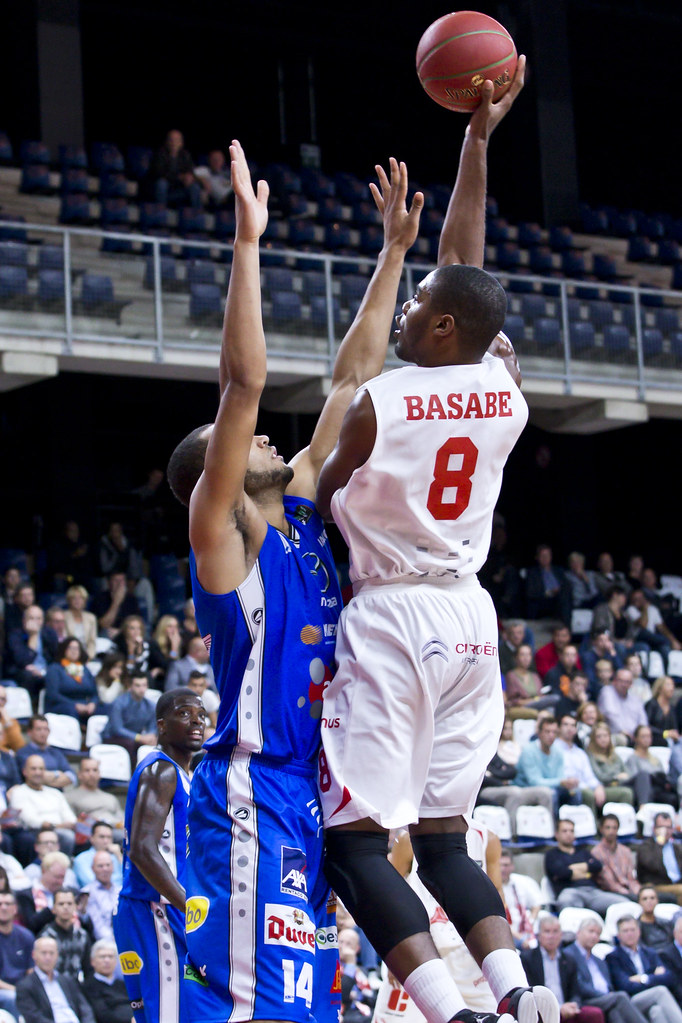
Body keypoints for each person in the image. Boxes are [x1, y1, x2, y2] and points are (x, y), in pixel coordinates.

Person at [165, 135, 429, 1023]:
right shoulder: (223, 537)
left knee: (307, 1003)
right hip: (252, 788)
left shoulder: (307, 513)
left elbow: (355, 377)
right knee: (262, 1005)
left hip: (313, 794)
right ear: (219, 471)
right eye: (243, 443)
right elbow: (243, 385)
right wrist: (248, 243)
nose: (267, 438)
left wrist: (392, 255)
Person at [316, 69, 560, 1023]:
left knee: (356, 844)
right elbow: (467, 264)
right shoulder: (506, 390)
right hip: (470, 616)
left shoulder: (380, 401)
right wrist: (476, 143)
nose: (408, 310)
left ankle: (449, 1014)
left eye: (418, 303)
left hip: (394, 614)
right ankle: (519, 992)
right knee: (447, 837)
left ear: (444, 324)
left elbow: (321, 493)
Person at [112, 687, 206, 1023]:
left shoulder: (184, 774)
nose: (196, 721)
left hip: (164, 906)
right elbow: (141, 849)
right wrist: (189, 905)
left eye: (201, 715)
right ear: (162, 725)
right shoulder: (161, 771)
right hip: (154, 906)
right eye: (184, 713)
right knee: (168, 1014)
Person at [372, 822, 500, 1023]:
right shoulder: (406, 839)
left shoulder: (486, 839)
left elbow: (498, 901)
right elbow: (387, 898)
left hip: (469, 955)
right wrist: (390, 956)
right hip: (417, 950)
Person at [520, 915, 604, 1023]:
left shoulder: (568, 959)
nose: (551, 936)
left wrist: (573, 1004)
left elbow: (575, 992)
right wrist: (558, 1007)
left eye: (555, 932)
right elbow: (529, 991)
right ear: (539, 936)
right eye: (547, 931)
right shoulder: (528, 958)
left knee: (595, 1014)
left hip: (567, 1009)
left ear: (561, 935)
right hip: (541, 1009)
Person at [564, 919, 648, 1023]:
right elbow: (579, 985)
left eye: (598, 933)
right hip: (586, 999)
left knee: (614, 1011)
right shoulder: (568, 955)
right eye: (591, 931)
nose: (594, 936)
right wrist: (605, 995)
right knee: (620, 997)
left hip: (606, 999)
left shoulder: (599, 961)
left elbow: (609, 985)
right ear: (578, 933)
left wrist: (609, 996)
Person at [605, 915, 682, 1023]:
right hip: (630, 1001)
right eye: (625, 931)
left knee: (656, 1011)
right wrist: (654, 977)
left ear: (639, 932)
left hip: (651, 999)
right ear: (618, 935)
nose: (630, 934)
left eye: (632, 930)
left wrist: (643, 978)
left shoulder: (649, 953)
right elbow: (625, 985)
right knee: (660, 991)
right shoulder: (613, 958)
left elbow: (668, 978)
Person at [545, 818, 631, 915]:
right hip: (569, 892)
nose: (569, 834)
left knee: (624, 904)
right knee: (566, 902)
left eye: (571, 831)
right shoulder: (552, 855)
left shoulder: (583, 852)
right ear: (557, 834)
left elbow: (597, 866)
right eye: (565, 831)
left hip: (593, 892)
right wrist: (586, 872)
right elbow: (561, 873)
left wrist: (572, 869)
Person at [7, 757, 76, 863]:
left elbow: (70, 817)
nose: (38, 772)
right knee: (67, 836)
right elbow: (30, 820)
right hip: (34, 831)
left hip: (59, 828)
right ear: (24, 771)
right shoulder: (19, 792)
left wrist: (70, 824)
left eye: (41, 769)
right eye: (33, 769)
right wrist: (56, 826)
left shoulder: (55, 793)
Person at [15, 934, 96, 1023]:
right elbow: (33, 1017)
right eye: (44, 953)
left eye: (51, 953)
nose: (48, 957)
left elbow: (84, 1008)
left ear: (57, 955)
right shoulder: (25, 986)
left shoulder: (67, 980)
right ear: (34, 955)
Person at [515, 716, 579, 814]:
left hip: (550, 788)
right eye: (547, 732)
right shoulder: (528, 751)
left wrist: (568, 783)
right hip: (525, 789)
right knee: (551, 794)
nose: (551, 735)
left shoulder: (558, 752)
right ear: (539, 733)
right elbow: (535, 782)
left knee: (575, 793)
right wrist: (560, 782)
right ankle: (553, 823)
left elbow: (560, 777)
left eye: (554, 732)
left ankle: (569, 823)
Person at [100, 671, 158, 769]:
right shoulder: (119, 703)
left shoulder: (151, 706)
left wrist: (151, 737)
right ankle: (132, 774)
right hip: (112, 737)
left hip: (135, 738)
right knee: (131, 744)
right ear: (130, 686)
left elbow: (152, 727)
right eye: (137, 685)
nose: (142, 689)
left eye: (144, 685)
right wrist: (140, 738)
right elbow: (117, 729)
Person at [586, 721, 648, 807]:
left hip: (621, 783)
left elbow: (627, 772)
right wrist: (616, 777)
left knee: (642, 776)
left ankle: (643, 808)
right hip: (606, 787)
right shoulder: (591, 755)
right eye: (599, 736)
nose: (603, 739)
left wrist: (623, 777)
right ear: (593, 739)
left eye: (605, 736)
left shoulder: (614, 754)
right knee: (626, 792)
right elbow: (600, 776)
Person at [554, 714, 606, 816]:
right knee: (587, 794)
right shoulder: (553, 749)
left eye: (573, 725)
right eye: (566, 725)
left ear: (576, 729)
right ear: (559, 728)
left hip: (583, 786)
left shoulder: (580, 753)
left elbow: (589, 776)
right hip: (564, 787)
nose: (569, 728)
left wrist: (598, 786)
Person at [37, 887, 92, 981]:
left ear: (75, 907)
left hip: (76, 986)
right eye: (61, 904)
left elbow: (88, 969)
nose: (65, 907)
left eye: (69, 903)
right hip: (52, 985)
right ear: (53, 909)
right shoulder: (45, 937)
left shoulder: (82, 936)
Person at [43, 637, 97, 724]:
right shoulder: (55, 668)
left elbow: (94, 693)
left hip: (85, 705)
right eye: (70, 648)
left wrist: (92, 703)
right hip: (62, 705)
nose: (74, 651)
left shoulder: (85, 669)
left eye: (77, 648)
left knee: (104, 709)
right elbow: (53, 694)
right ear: (64, 649)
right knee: (71, 710)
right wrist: (74, 705)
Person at [16, 716, 77, 790]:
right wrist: (57, 774)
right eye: (38, 729)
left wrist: (46, 777)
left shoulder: (56, 753)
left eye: (46, 729)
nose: (43, 733)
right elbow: (33, 777)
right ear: (29, 732)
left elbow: (71, 777)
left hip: (56, 794)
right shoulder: (23, 753)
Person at [0, 890, 34, 1022]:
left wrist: (26, 990)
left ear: (15, 909)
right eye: (0, 904)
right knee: (12, 997)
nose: (3, 907)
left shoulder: (26, 936)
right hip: (4, 991)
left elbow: (31, 971)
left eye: (8, 904)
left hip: (22, 988)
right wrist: (16, 990)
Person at [65, 759, 124, 833]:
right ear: (79, 774)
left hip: (116, 829)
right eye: (87, 770)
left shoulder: (111, 797)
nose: (91, 774)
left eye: (95, 770)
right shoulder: (70, 797)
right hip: (91, 832)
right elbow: (71, 822)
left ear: (99, 774)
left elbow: (122, 819)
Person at [624, 725, 676, 808]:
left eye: (648, 736)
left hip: (659, 790)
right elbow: (634, 778)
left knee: (671, 796)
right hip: (642, 792)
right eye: (643, 736)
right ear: (636, 738)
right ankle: (643, 808)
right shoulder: (632, 759)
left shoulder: (656, 759)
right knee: (643, 775)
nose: (646, 739)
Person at [590, 813, 640, 900]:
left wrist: (639, 892)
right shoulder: (596, 852)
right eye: (608, 827)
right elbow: (608, 882)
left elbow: (631, 878)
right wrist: (630, 895)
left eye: (614, 828)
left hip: (628, 891)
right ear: (601, 829)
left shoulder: (626, 851)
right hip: (608, 894)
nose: (611, 831)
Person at [636, 811, 682, 904]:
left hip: (677, 884)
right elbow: (653, 866)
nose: (665, 831)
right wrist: (660, 842)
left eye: (668, 827)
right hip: (656, 886)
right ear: (654, 828)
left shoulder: (676, 847)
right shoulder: (646, 846)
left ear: (672, 829)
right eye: (661, 827)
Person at [82, 939, 132, 1023]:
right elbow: (103, 1015)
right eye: (102, 957)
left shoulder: (124, 984)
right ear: (92, 961)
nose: (107, 960)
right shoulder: (88, 986)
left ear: (116, 961)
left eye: (110, 956)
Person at [499, 851, 541, 951]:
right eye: (499, 865)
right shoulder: (492, 886)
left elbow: (536, 904)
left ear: (512, 866)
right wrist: (521, 938)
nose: (502, 869)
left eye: (506, 865)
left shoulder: (522, 881)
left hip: (525, 929)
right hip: (506, 932)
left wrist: (530, 922)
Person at [150, 128, 201, 208]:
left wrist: (189, 177)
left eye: (177, 140)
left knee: (195, 187)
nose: (173, 143)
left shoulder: (185, 155)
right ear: (166, 142)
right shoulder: (160, 154)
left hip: (179, 188)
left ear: (181, 143)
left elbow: (191, 171)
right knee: (161, 183)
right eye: (171, 140)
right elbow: (159, 172)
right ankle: (161, 211)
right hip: (165, 188)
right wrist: (179, 177)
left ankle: (195, 212)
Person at [597, 670, 648, 747]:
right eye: (621, 681)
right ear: (614, 681)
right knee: (622, 739)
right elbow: (610, 714)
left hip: (634, 737)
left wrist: (641, 733)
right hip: (614, 734)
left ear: (631, 684)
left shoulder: (635, 699)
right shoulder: (607, 692)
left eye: (627, 682)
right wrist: (623, 731)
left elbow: (643, 719)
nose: (624, 684)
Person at [524, 544, 572, 624]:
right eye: (543, 556)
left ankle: (566, 628)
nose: (545, 558)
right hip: (543, 600)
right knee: (563, 600)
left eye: (547, 555)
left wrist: (558, 591)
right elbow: (530, 593)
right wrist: (550, 592)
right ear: (537, 557)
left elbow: (566, 586)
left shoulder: (558, 570)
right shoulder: (532, 572)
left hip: (559, 598)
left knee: (565, 597)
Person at [80, 850, 120, 941]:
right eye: (100, 866)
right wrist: (112, 942)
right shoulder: (87, 893)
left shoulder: (120, 891)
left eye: (108, 865)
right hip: (102, 942)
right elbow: (97, 926)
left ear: (113, 867)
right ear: (93, 868)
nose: (105, 869)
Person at [72, 821, 122, 887]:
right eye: (102, 837)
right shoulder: (81, 859)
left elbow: (128, 879)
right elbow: (90, 882)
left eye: (109, 837)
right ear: (92, 838)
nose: (106, 841)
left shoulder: (116, 857)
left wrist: (119, 855)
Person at [636, 886, 676, 953]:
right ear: (639, 902)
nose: (649, 901)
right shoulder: (636, 926)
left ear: (657, 900)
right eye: (645, 899)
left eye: (652, 898)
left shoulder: (666, 923)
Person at [63, 586, 98, 661]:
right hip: (69, 656)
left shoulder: (91, 618)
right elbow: (64, 639)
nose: (77, 601)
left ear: (85, 601)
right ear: (69, 600)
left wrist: (89, 657)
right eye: (74, 598)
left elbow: (92, 642)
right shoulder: (63, 616)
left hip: (86, 657)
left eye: (81, 598)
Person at [645, 676, 680, 746]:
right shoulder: (651, 704)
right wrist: (665, 733)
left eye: (673, 685)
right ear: (659, 688)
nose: (672, 688)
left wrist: (675, 734)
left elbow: (675, 728)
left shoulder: (672, 708)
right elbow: (646, 726)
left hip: (670, 743)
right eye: (668, 685)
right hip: (652, 740)